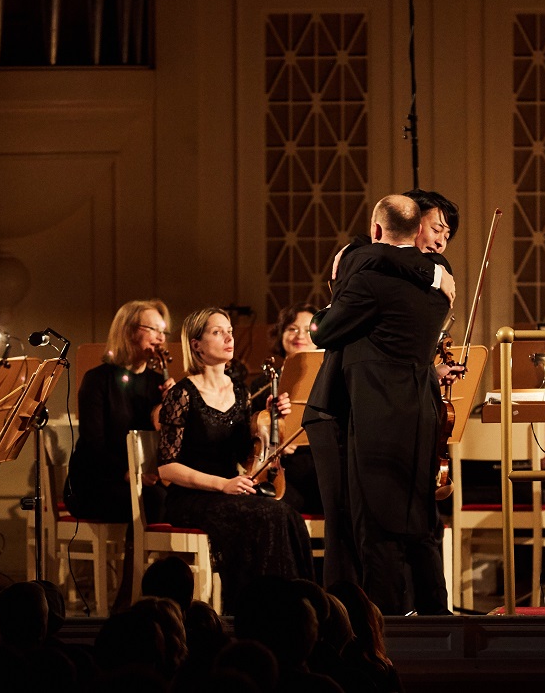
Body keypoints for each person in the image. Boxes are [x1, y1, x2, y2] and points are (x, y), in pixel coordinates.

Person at [303, 189, 460, 590]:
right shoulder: (435, 280)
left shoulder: (372, 276)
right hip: (377, 408)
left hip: (363, 411)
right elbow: (381, 252)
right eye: (436, 227)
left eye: (447, 232)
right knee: (407, 523)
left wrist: (341, 285)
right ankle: (425, 615)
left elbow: (323, 330)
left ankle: (370, 619)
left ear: (379, 229)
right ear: (415, 226)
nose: (442, 239)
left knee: (364, 526)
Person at [157, 307, 314, 613]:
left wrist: (266, 421)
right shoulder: (182, 394)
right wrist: (223, 485)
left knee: (286, 514)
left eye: (229, 330)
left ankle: (295, 610)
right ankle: (255, 611)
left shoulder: (240, 392)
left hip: (232, 490)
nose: (229, 337)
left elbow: (246, 454)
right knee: (266, 516)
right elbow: (166, 467)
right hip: (193, 496)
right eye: (217, 332)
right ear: (196, 344)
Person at [64, 299, 175, 523]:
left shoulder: (158, 384)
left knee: (179, 501)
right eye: (153, 329)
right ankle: (141, 558)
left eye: (163, 331)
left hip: (143, 480)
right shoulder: (97, 380)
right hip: (98, 481)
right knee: (156, 503)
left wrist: (174, 407)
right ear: (129, 331)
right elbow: (93, 443)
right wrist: (128, 473)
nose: (161, 338)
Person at [249, 303, 323, 514]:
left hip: (322, 466)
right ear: (280, 334)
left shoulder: (333, 380)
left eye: (310, 330)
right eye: (292, 328)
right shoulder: (263, 383)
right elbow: (249, 434)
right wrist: (278, 442)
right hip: (282, 469)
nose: (300, 335)